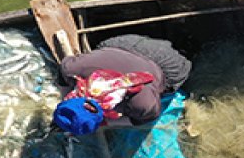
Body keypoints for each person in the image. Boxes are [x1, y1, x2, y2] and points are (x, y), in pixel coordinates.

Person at [52, 34, 192, 133]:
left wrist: (106, 124)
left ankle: (188, 50)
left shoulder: (141, 104)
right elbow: (63, 76)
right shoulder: (72, 69)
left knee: (178, 73)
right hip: (122, 44)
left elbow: (143, 120)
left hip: (165, 65)